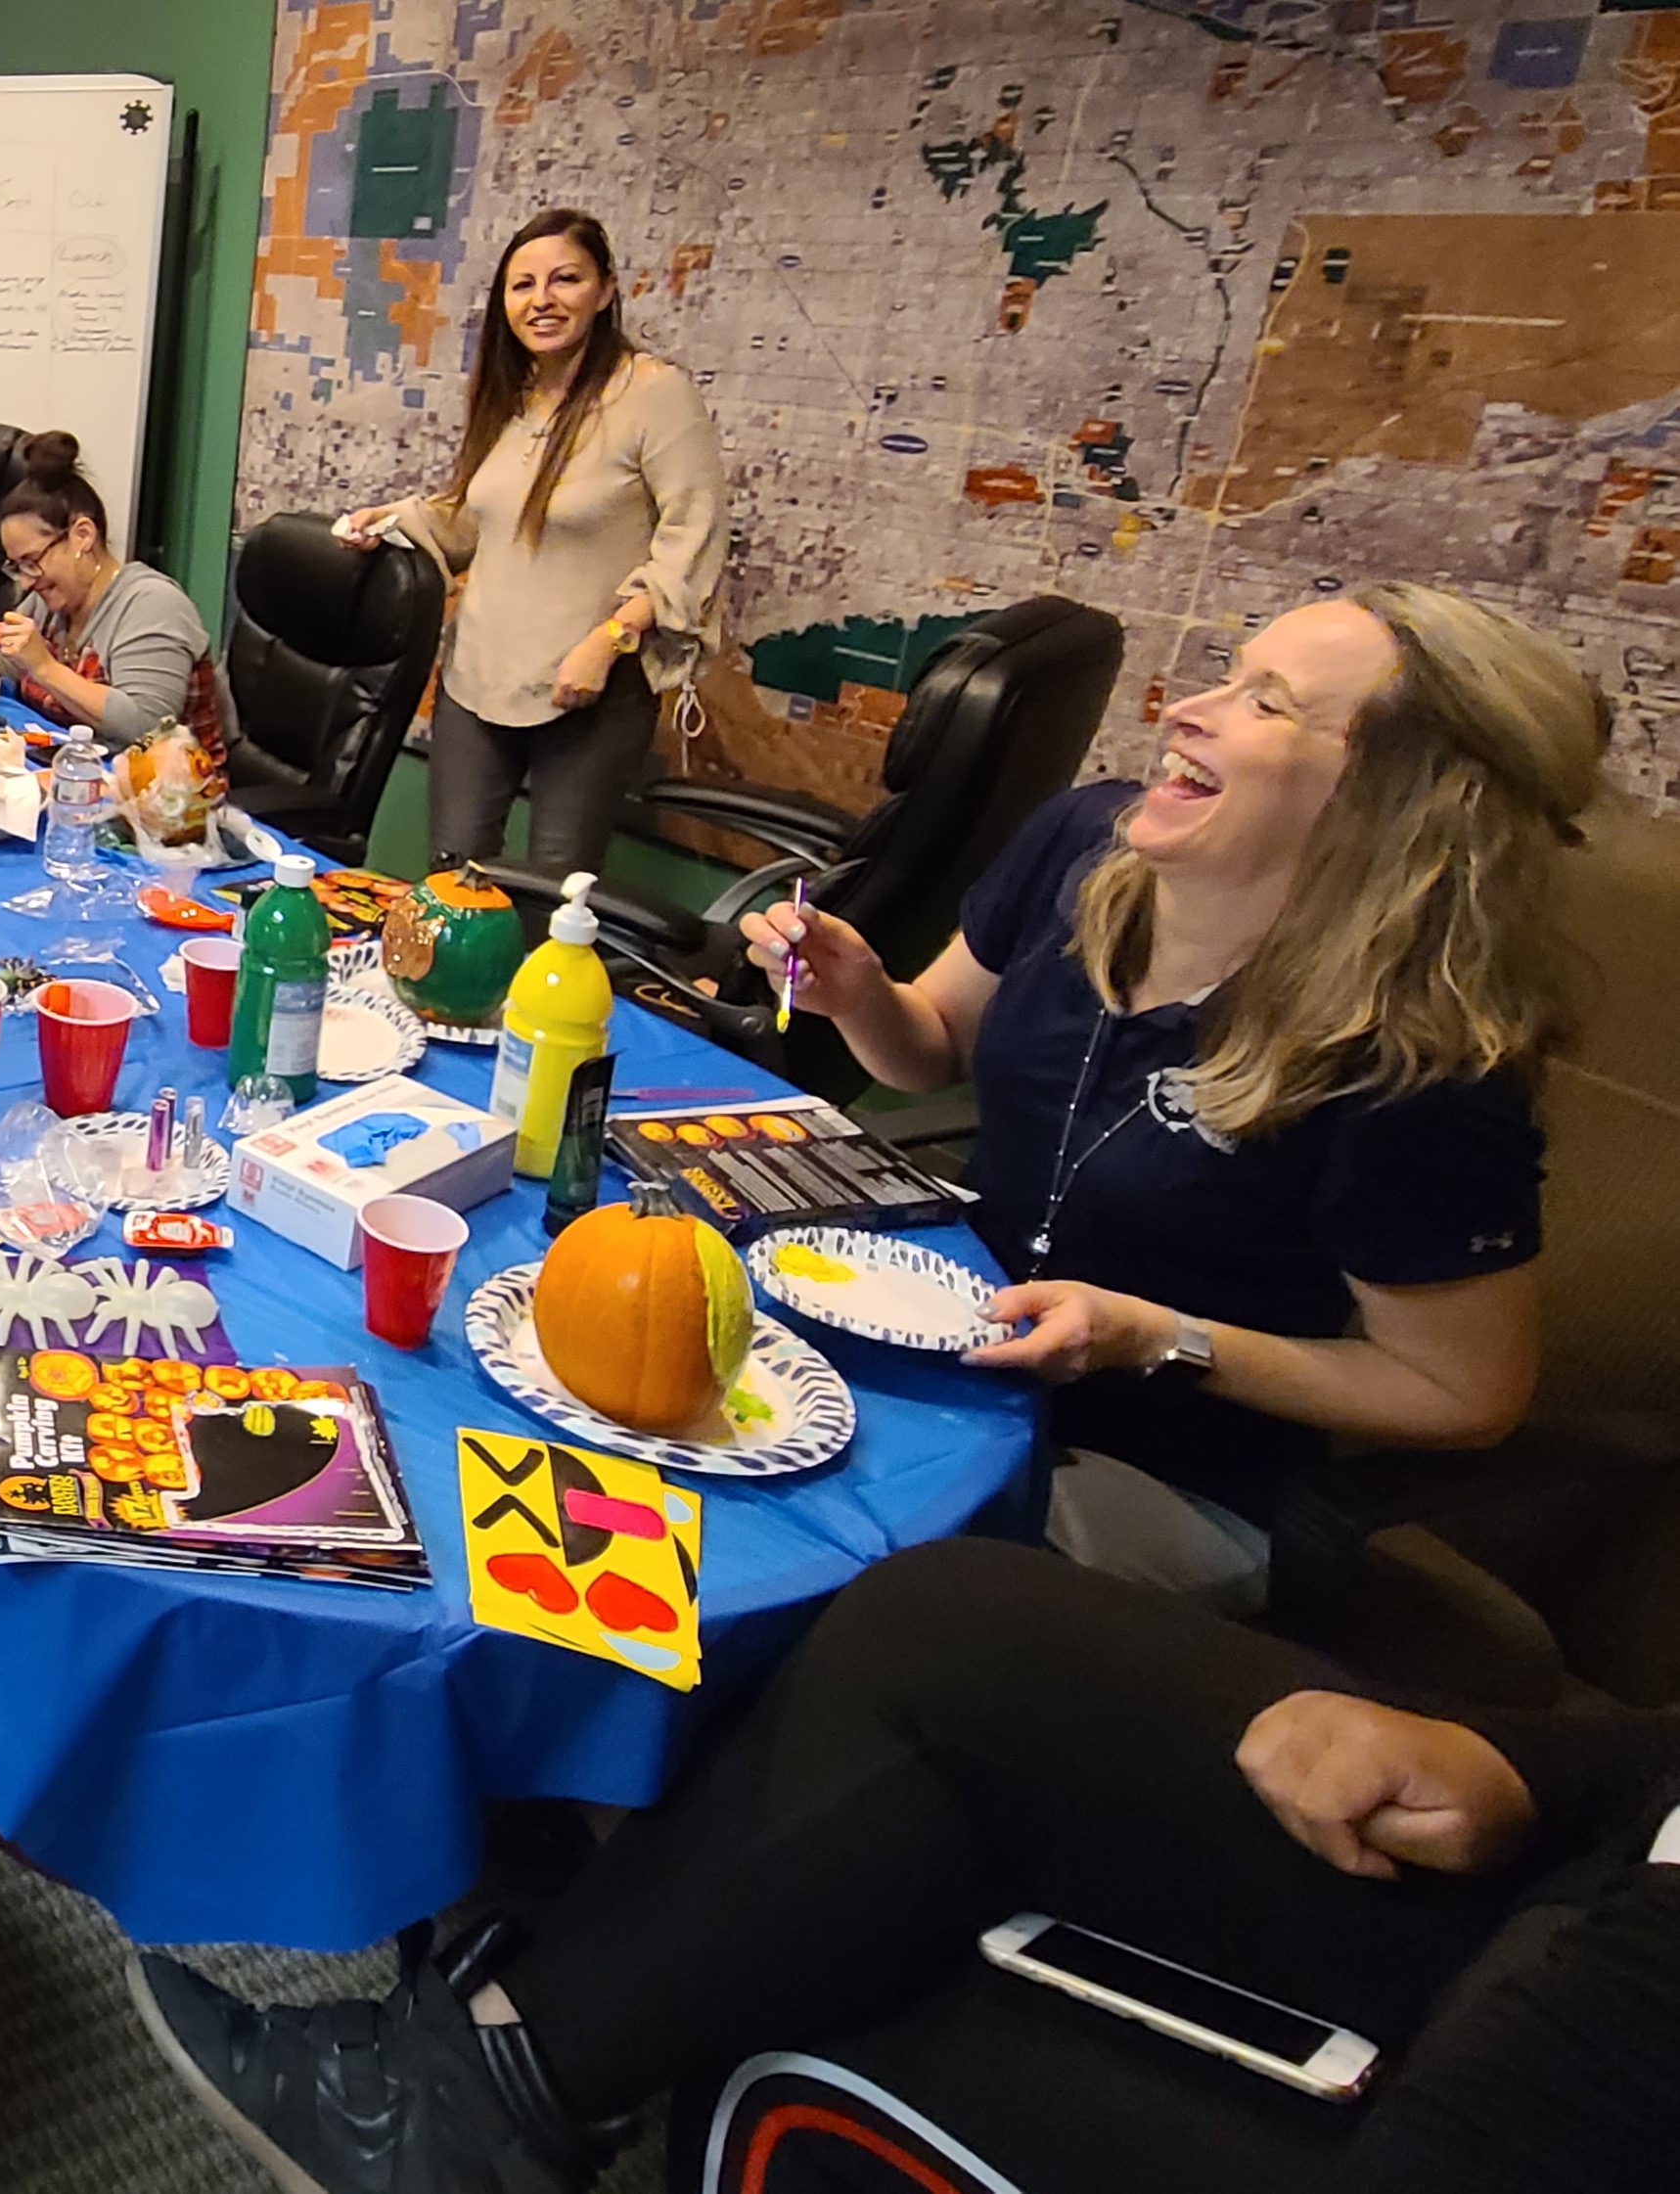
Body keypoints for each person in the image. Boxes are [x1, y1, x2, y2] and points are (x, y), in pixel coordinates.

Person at [136, 1537, 1680, 2194]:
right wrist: (1527, 1765)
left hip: (1559, 2079)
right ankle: (454, 2102)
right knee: (949, 1630)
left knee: (826, 1955)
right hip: (1593, 1874)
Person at [738, 587, 1606, 1607]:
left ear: (1391, 796)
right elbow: (927, 1052)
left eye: (1267, 704)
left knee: (800, 1570)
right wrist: (863, 996)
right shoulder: (1080, 842)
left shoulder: (1420, 1067)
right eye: (1230, 674)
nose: (1188, 708)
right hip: (949, 1370)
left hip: (1161, 1472)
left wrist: (1151, 1336)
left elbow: (1462, 1394)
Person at [341, 208, 727, 876]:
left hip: (587, 689)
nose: (540, 300)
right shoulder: (513, 396)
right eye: (521, 286)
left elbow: (693, 541)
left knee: (554, 896)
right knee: (453, 884)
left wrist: (609, 640)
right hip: (477, 677)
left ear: (605, 290)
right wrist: (390, 521)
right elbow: (476, 524)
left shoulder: (653, 393)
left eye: (564, 279)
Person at [0, 429, 232, 780]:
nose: (26, 581)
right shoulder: (49, 601)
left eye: (32, 561)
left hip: (168, 804)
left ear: (83, 535)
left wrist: (45, 667)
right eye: (17, 566)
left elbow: (146, 725)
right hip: (70, 778)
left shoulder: (152, 605)